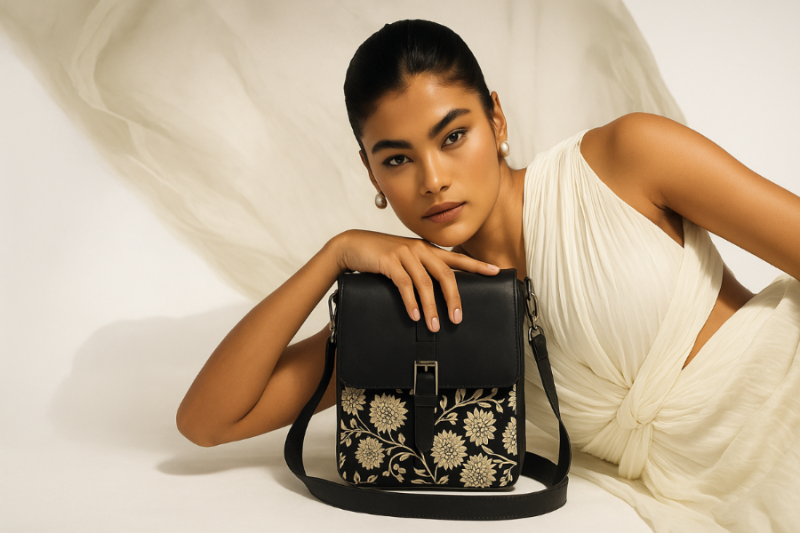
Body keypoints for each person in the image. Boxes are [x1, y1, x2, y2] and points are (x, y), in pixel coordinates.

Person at [177, 19, 800, 532]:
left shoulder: (626, 158)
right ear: (371, 175)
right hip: (710, 501)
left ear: (496, 120)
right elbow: (208, 421)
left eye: (453, 135)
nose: (432, 179)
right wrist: (334, 255)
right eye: (396, 158)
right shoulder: (411, 310)